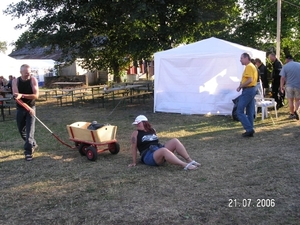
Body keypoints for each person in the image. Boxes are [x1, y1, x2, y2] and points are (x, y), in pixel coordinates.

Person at [128, 115, 200, 170]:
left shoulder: (153, 130)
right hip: (148, 155)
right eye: (136, 124)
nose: (137, 125)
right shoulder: (136, 133)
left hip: (157, 149)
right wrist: (134, 162)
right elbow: (134, 148)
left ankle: (189, 160)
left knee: (175, 141)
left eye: (138, 123)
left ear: (144, 123)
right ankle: (184, 165)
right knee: (163, 150)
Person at [12, 64, 39, 161]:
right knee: (21, 130)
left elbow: (36, 96)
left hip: (31, 108)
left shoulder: (33, 80)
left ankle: (28, 152)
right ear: (21, 72)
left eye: (29, 72)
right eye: (26, 73)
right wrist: (26, 106)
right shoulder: (15, 81)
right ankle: (33, 144)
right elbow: (17, 98)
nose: (28, 74)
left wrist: (22, 95)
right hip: (20, 109)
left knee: (29, 131)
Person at [236, 53, 258, 137]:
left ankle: (249, 129)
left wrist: (241, 86)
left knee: (239, 111)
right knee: (250, 110)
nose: (240, 60)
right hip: (251, 89)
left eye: (241, 58)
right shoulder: (252, 66)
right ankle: (250, 129)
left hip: (248, 90)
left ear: (246, 58)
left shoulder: (249, 66)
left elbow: (249, 80)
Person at [280, 54, 300, 120]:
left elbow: (282, 78)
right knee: (297, 100)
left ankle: (292, 114)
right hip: (298, 85)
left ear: (287, 59)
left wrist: (281, 87)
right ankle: (296, 111)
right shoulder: (299, 65)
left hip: (289, 86)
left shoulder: (285, 67)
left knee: (290, 100)